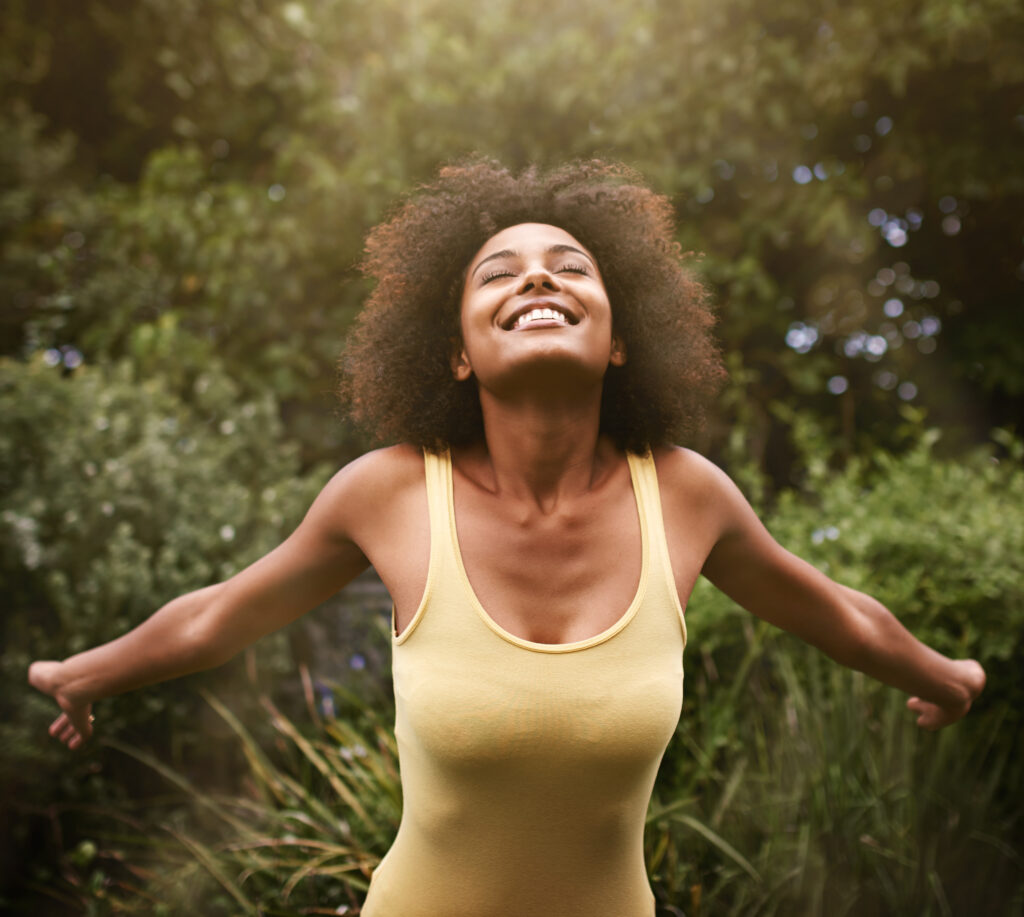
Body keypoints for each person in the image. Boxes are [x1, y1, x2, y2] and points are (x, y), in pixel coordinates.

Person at [28, 160, 985, 916]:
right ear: (454, 351)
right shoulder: (391, 493)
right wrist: (86, 671)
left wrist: (943, 675)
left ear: (617, 338)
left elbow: (836, 614)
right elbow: (220, 616)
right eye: (501, 270)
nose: (538, 274)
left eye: (573, 267)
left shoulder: (686, 496)